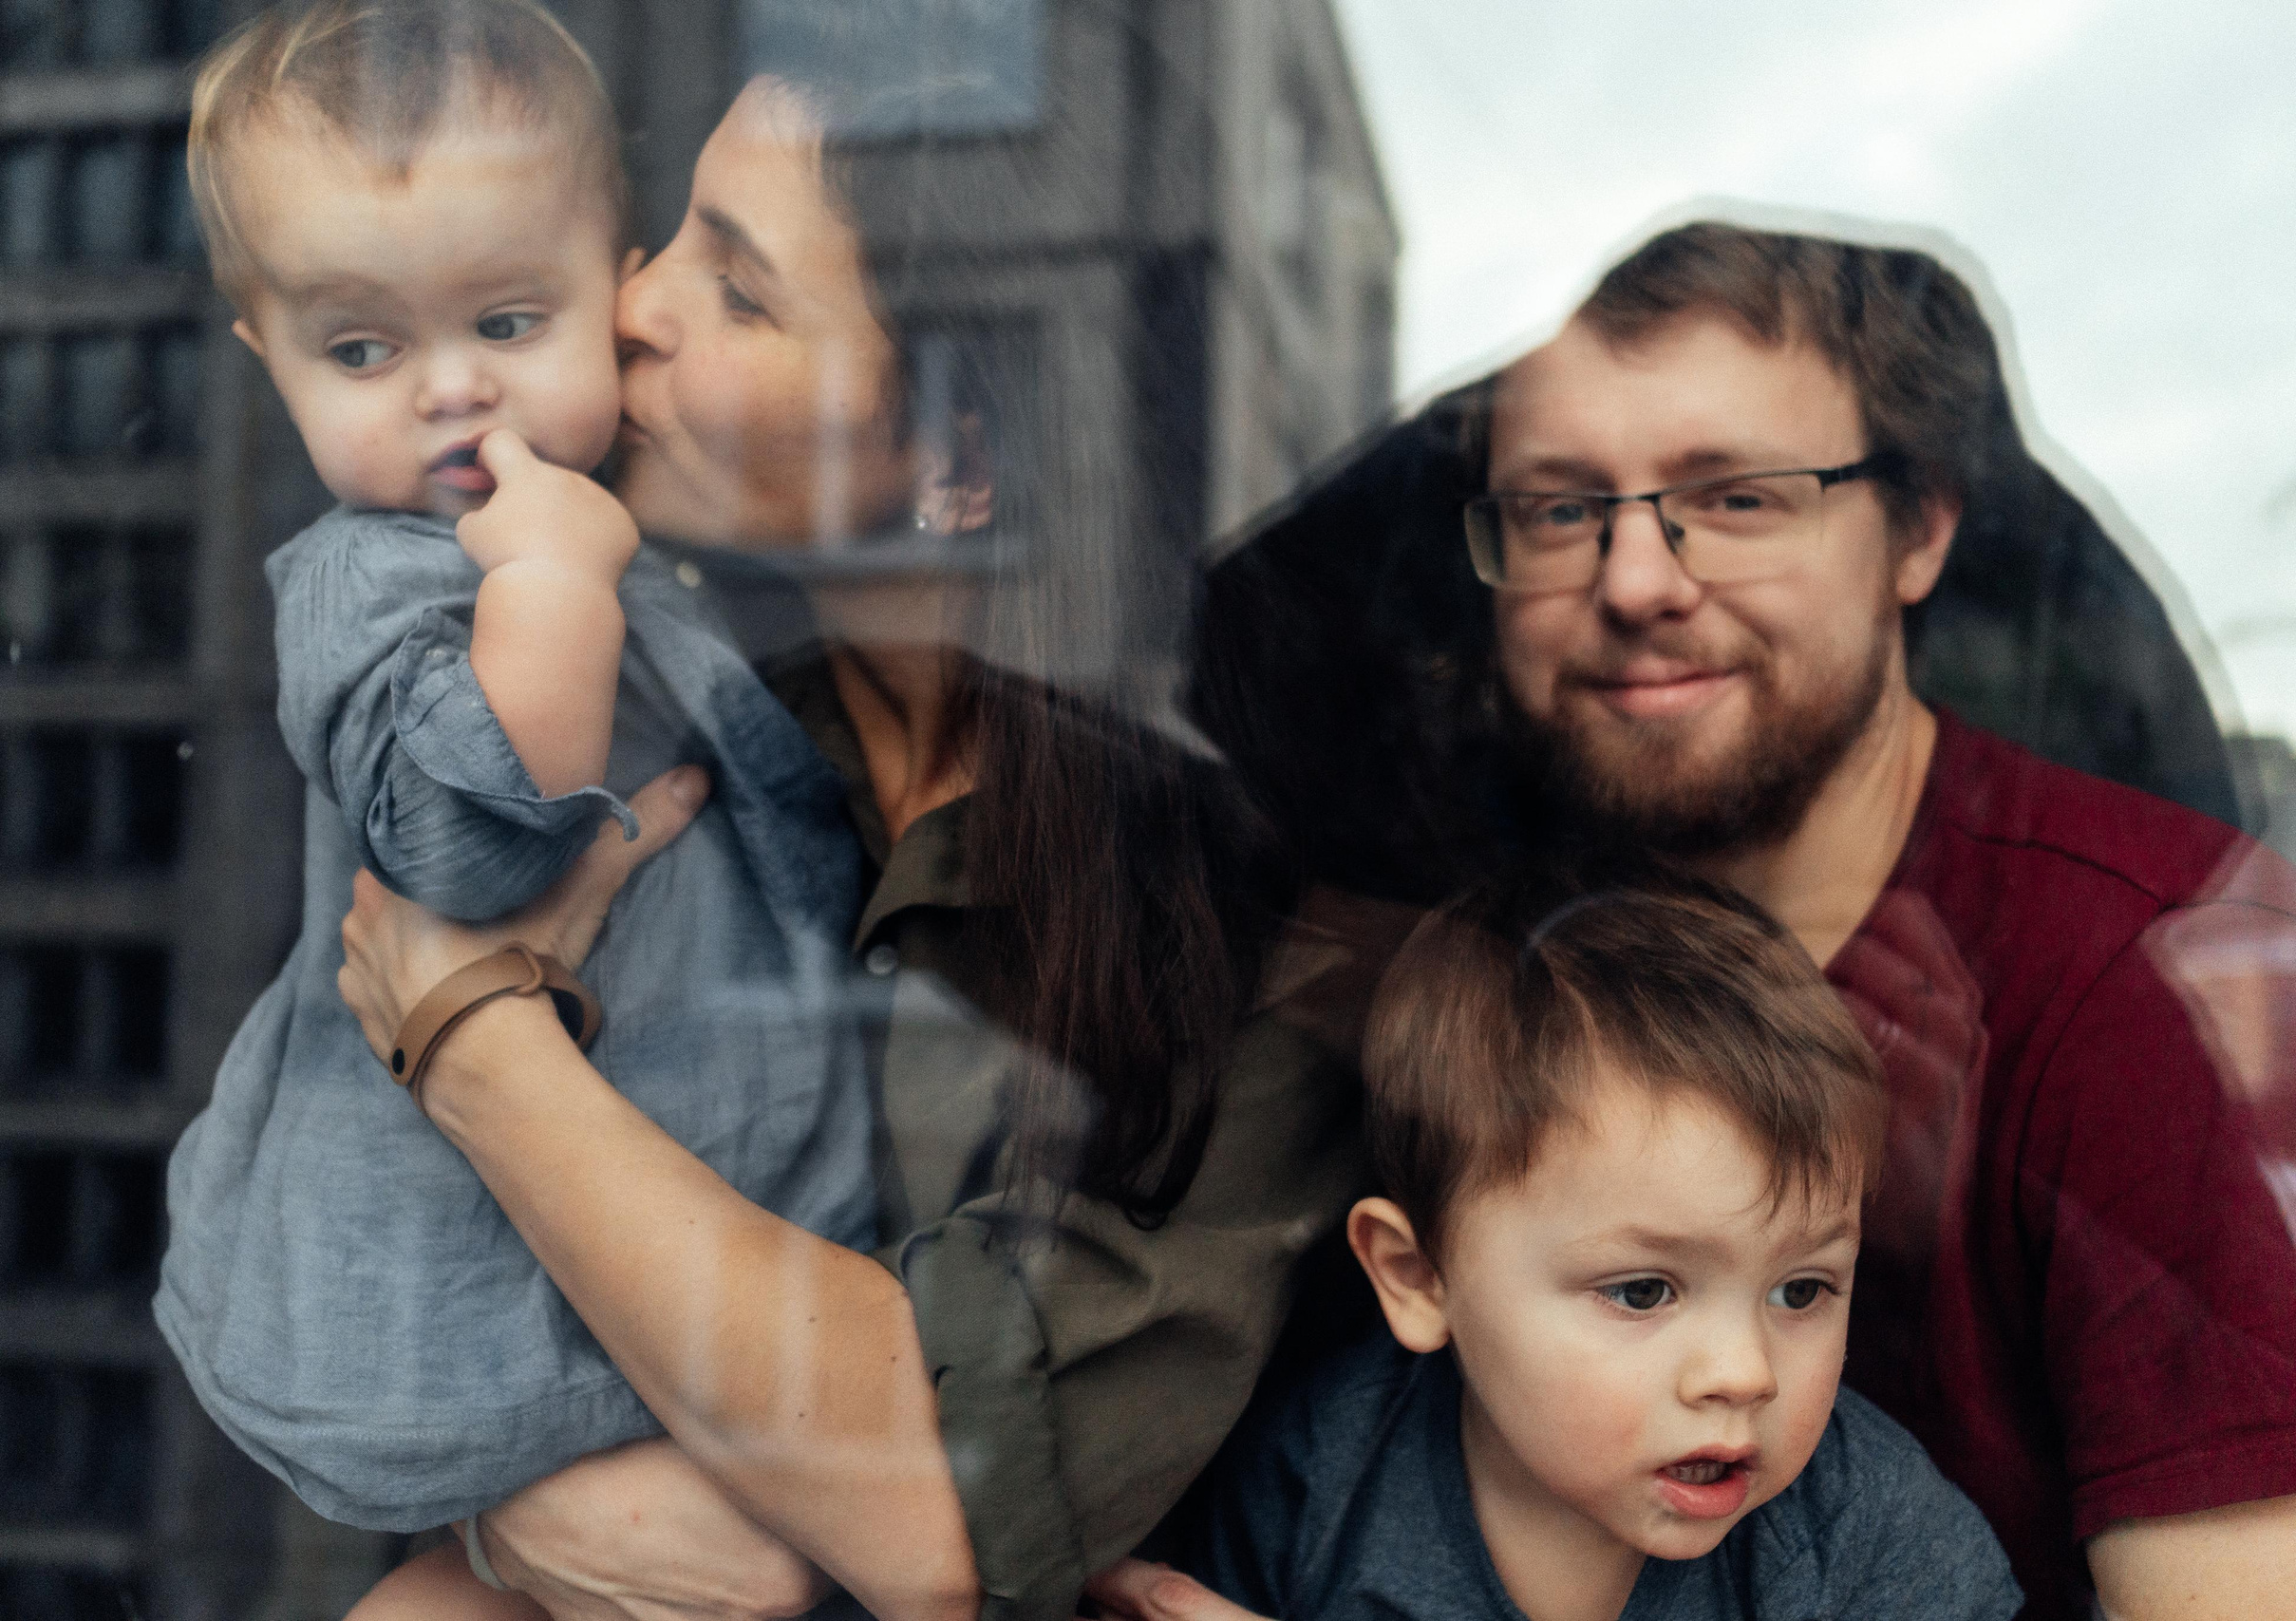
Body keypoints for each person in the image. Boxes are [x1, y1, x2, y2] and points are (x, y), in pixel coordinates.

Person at [326, 9, 1371, 1619]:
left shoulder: (1233, 920)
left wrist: (476, 1038)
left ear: (956, 456)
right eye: (670, 235)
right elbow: (381, 1300)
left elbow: (948, 1505)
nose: (632, 304)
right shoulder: (596, 724)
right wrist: (506, 1512)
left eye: (737, 286)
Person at [1143, 220, 2296, 1621]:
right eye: (1562, 510)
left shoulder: (2144, 973)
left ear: (1919, 528)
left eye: (1739, 495)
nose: (1636, 580)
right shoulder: (1482, 958)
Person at [152, 0, 875, 1534]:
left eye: (506, 323)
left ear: (608, 295)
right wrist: (550, 583)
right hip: (480, 1311)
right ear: (267, 358)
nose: (449, 388)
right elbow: (474, 846)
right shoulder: (380, 583)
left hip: (682, 1280)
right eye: (361, 346)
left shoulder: (650, 548)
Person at [1180, 867, 2020, 1621]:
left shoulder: (1868, 1535)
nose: (1744, 1373)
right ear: (1420, 1277)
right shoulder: (1320, 1475)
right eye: (1642, 1290)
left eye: (1801, 1289)